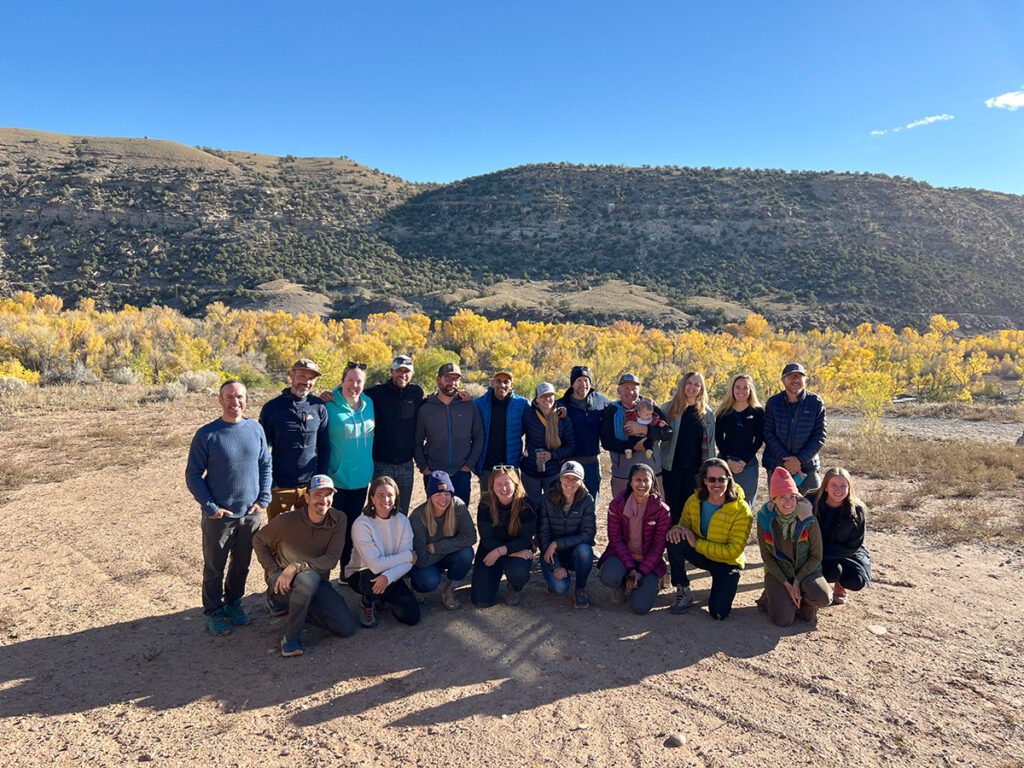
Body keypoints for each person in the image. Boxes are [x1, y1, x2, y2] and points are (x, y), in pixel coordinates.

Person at [185, 379, 272, 636]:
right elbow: (193, 475)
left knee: (242, 563)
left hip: (250, 514)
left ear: (247, 399)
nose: (236, 402)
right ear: (220, 400)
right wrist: (210, 506)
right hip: (219, 516)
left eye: (240, 397)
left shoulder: (255, 429)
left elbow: (265, 465)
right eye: (230, 397)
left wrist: (263, 499)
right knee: (215, 565)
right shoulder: (208, 434)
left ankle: (234, 603)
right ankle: (213, 611)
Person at [252, 474, 357, 657]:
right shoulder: (287, 520)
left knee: (345, 627)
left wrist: (296, 566)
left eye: (328, 495)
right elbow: (258, 540)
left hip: (316, 584)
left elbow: (332, 559)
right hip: (284, 583)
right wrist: (273, 571)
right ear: (307, 497)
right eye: (317, 494)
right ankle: (290, 639)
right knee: (309, 577)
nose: (323, 500)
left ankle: (298, 607)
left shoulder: (339, 519)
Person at [665, 458, 752, 619]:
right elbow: (683, 526)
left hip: (726, 562)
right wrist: (675, 529)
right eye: (712, 479)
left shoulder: (742, 510)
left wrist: (697, 543)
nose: (716, 484)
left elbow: (733, 551)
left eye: (721, 479)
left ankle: (727, 580)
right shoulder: (694, 500)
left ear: (729, 480)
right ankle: (683, 589)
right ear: (704, 480)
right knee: (674, 539)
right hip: (702, 554)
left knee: (718, 612)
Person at [756, 468, 832, 626]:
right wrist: (786, 584)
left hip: (805, 572)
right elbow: (767, 556)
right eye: (782, 497)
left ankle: (802, 599)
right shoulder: (765, 519)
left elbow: (816, 556)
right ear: (773, 499)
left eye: (792, 496)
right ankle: (771, 596)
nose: (788, 502)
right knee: (783, 621)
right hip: (779, 573)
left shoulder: (808, 519)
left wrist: (797, 581)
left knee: (823, 598)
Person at [258, 358, 330, 521]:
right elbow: (262, 450)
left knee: (307, 532)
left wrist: (320, 480)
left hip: (309, 487)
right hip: (280, 487)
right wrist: (271, 482)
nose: (306, 381)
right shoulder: (272, 408)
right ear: (291, 375)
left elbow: (324, 446)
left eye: (311, 378)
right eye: (302, 376)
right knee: (277, 534)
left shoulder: (318, 406)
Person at [344, 476, 420, 628]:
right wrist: (409, 556)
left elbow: (408, 564)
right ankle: (366, 602)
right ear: (371, 498)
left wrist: (388, 576)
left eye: (390, 495)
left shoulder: (403, 521)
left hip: (390, 573)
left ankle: (382, 598)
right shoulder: (362, 523)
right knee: (373, 577)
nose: (386, 500)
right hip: (363, 573)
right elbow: (376, 565)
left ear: (396, 498)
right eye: (380, 495)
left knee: (412, 617)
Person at [598, 463, 670, 615]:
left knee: (640, 608)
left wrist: (641, 572)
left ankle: (652, 580)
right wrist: (631, 569)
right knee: (609, 576)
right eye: (638, 479)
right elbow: (615, 539)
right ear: (630, 481)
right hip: (623, 556)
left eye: (646, 480)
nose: (642, 484)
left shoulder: (662, 510)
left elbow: (658, 547)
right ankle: (622, 581)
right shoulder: (617, 505)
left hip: (648, 560)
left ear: (653, 483)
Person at [325, 361, 375, 572]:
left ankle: (347, 572)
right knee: (332, 529)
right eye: (350, 380)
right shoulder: (327, 405)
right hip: (337, 479)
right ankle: (322, 573)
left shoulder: (369, 403)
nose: (354, 385)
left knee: (353, 528)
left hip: (361, 479)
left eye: (359, 381)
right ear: (342, 381)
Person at [415, 362, 484, 506]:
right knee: (436, 517)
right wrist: (424, 468)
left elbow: (479, 437)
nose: (452, 382)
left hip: (461, 472)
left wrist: (469, 465)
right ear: (438, 379)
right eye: (448, 378)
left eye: (456, 379)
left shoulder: (469, 406)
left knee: (460, 516)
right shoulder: (426, 408)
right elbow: (417, 441)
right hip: (434, 473)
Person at [363, 355, 424, 517]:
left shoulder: (416, 393)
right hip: (381, 464)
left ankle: (399, 542)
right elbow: (352, 393)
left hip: (406, 465)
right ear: (391, 371)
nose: (402, 375)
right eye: (399, 371)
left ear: (412, 374)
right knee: (379, 509)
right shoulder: (376, 393)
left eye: (407, 371)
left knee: (401, 510)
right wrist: (332, 394)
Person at [409, 470, 478, 610]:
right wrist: (448, 548)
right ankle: (416, 588)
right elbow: (421, 560)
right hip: (426, 562)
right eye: (438, 494)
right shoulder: (417, 517)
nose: (443, 499)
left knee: (466, 553)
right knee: (428, 581)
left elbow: (471, 537)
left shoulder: (458, 506)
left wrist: (437, 547)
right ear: (429, 496)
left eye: (447, 494)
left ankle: (449, 589)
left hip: (440, 554)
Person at [470, 467, 536, 608]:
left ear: (516, 484)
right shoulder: (485, 503)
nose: (504, 488)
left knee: (518, 573)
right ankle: (493, 575)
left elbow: (525, 539)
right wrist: (506, 552)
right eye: (499, 484)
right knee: (481, 601)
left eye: (507, 483)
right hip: (491, 548)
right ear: (492, 485)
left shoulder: (526, 504)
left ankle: (514, 587)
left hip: (518, 546)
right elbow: (486, 539)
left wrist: (502, 552)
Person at [807, 467, 872, 605]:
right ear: (825, 487)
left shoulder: (857, 510)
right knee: (831, 572)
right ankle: (819, 589)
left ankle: (841, 585)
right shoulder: (811, 501)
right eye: (834, 485)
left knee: (856, 581)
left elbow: (854, 545)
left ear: (849, 488)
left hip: (848, 552)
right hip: (817, 550)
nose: (839, 490)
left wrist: (824, 553)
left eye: (843, 486)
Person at [601, 373, 672, 499]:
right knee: (623, 512)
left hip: (652, 472)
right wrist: (634, 446)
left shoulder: (650, 407)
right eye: (626, 388)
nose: (631, 392)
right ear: (619, 390)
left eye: (634, 388)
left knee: (655, 512)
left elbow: (668, 433)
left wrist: (645, 430)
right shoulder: (611, 411)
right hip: (623, 473)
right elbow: (607, 443)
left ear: (639, 390)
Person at [538, 461, 597, 609]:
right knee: (560, 588)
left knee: (585, 550)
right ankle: (554, 578)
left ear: (581, 481)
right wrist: (556, 565)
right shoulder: (546, 500)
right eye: (566, 477)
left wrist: (558, 543)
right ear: (560, 478)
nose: (570, 482)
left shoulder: (587, 500)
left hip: (575, 552)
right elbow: (543, 535)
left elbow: (588, 534)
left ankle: (580, 589)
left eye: (575, 479)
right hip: (551, 554)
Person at [763, 363, 827, 493]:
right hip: (778, 464)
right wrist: (787, 459)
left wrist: (799, 460)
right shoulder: (773, 402)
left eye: (799, 376)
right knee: (780, 507)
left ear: (805, 379)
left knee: (813, 506)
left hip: (807, 466)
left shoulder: (815, 402)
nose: (795, 380)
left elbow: (820, 435)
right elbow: (768, 433)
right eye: (790, 377)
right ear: (783, 380)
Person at [660, 372, 715, 523]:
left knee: (691, 510)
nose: (692, 387)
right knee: (671, 509)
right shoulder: (668, 408)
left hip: (695, 471)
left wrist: (710, 469)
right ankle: (672, 543)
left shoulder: (707, 413)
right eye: (689, 383)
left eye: (697, 384)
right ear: (683, 385)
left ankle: (687, 544)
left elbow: (710, 443)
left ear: (701, 389)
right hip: (671, 468)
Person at [558, 365, 611, 503]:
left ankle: (590, 525)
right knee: (568, 501)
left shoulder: (600, 400)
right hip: (568, 461)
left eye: (586, 380)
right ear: (572, 383)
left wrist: (641, 401)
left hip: (592, 461)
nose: (583, 384)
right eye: (579, 380)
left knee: (592, 500)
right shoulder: (561, 404)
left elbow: (618, 408)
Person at [521, 382, 576, 509]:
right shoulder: (528, 415)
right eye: (543, 396)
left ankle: (549, 529)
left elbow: (570, 447)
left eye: (550, 395)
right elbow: (516, 434)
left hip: (554, 471)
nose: (547, 399)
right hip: (530, 471)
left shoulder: (563, 418)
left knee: (553, 505)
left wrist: (552, 455)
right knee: (532, 506)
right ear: (536, 399)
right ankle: (534, 529)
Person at [474, 369, 529, 494]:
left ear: (511, 385)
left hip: (511, 465)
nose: (502, 385)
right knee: (487, 504)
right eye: (498, 381)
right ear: (492, 383)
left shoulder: (522, 404)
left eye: (506, 382)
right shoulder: (479, 403)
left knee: (511, 502)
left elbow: (535, 419)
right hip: (487, 465)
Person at [714, 373, 765, 509]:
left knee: (745, 503)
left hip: (747, 464)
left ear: (750, 390)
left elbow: (759, 440)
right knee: (723, 500)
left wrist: (743, 461)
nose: (741, 391)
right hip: (725, 462)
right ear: (732, 389)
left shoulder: (758, 412)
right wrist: (729, 461)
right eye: (738, 387)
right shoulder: (724, 412)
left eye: (745, 388)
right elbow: (719, 439)